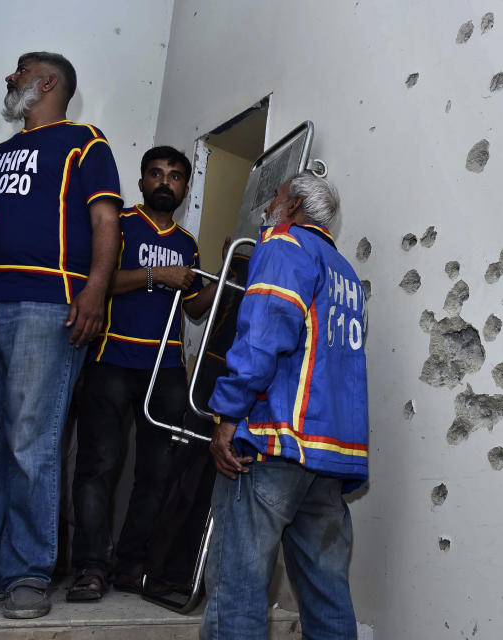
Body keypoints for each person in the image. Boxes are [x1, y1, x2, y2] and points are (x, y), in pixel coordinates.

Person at [203, 171, 368, 639]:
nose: (269, 206)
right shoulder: (346, 274)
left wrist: (227, 414)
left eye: (275, 196)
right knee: (327, 593)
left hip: (276, 444)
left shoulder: (283, 245)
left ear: (292, 205)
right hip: (330, 456)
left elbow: (263, 338)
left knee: (238, 586)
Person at [0, 52, 122, 620]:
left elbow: (105, 222)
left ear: (47, 83)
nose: (9, 77)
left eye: (20, 70)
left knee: (30, 441)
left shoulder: (85, 142)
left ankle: (26, 572)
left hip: (48, 306)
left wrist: (93, 292)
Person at [67, 146, 222, 601]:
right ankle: (91, 567)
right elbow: (97, 282)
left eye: (175, 176)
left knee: (157, 475)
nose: (164, 182)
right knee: (97, 467)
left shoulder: (188, 243)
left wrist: (218, 284)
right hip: (112, 359)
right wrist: (156, 274)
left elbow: (191, 309)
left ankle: (132, 566)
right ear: (141, 182)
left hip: (168, 368)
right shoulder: (120, 224)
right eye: (156, 174)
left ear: (185, 188)